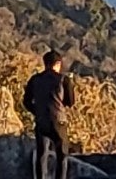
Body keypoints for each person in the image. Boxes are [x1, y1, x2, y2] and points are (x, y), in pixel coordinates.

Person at [23, 49, 75, 179]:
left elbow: (26, 101)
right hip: (59, 121)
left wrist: (37, 111)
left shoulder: (35, 79)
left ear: (45, 63)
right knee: (62, 156)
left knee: (41, 154)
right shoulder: (63, 79)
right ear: (58, 64)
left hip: (41, 121)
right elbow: (70, 102)